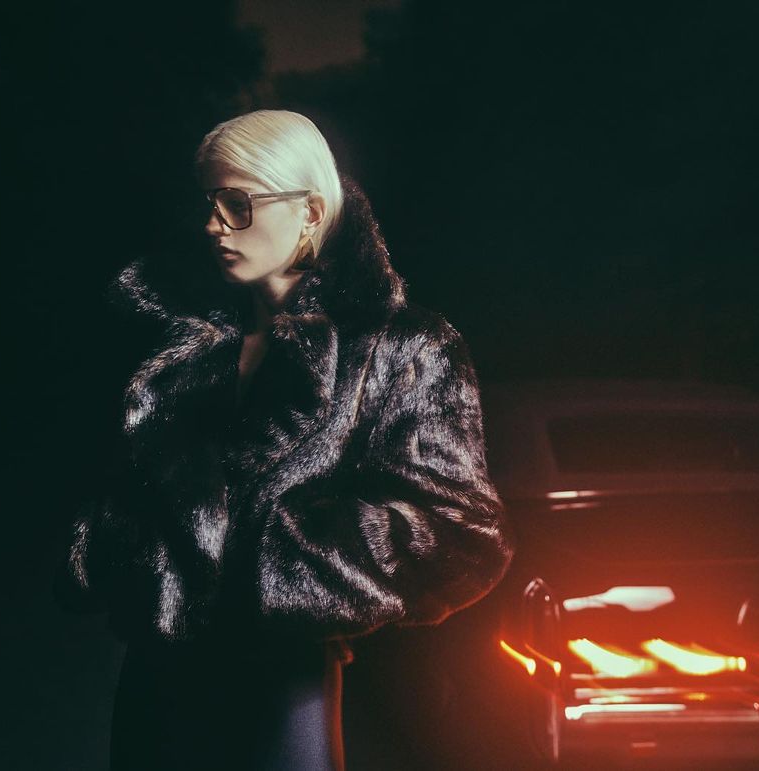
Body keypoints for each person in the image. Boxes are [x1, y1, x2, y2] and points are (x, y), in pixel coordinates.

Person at [52, 109, 516, 770]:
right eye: (209, 202)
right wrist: (120, 547)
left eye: (238, 203)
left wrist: (280, 561)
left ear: (310, 211)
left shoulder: (403, 346)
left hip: (284, 688)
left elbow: (462, 532)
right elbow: (105, 482)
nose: (214, 224)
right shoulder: (174, 340)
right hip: (157, 681)